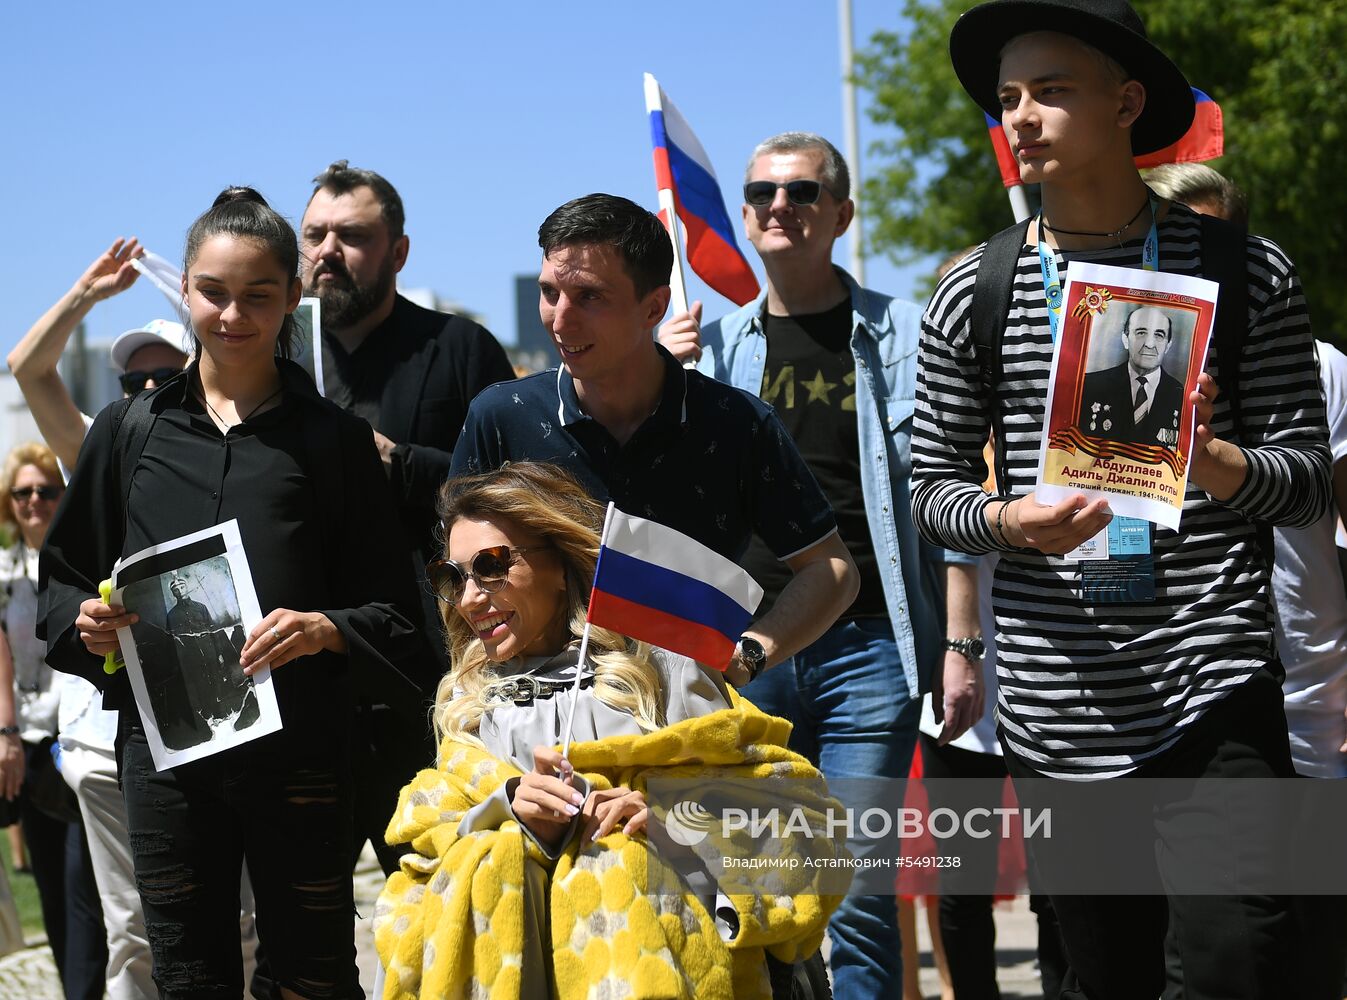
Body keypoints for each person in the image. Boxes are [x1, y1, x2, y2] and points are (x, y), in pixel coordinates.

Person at [914, 2, 1331, 998]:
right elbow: (932, 489)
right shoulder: (974, 290)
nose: (1021, 117)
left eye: (1052, 91)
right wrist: (1011, 521)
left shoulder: (1245, 269)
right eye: (1009, 97)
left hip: (1213, 676)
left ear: (1126, 102)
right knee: (1106, 980)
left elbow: (1309, 478)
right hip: (1062, 704)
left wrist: (1218, 461)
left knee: (1238, 960)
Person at [39, 186, 426, 1000]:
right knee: (185, 975)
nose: (232, 315)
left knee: (313, 975)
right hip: (166, 759)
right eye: (213, 292)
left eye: (258, 295)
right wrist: (87, 626)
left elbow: (397, 612)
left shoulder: (334, 442)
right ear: (184, 290)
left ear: (292, 297)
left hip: (305, 756)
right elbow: (64, 579)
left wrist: (325, 628)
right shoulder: (130, 430)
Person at [656, 131, 981, 997]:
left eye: (801, 194)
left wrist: (959, 643)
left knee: (859, 890)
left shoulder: (908, 334)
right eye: (761, 193)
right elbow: (669, 509)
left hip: (871, 642)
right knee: (756, 884)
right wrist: (668, 383)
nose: (776, 208)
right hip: (747, 648)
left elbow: (943, 502)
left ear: (840, 213)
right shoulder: (710, 351)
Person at [374, 462, 845, 999]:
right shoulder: (467, 706)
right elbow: (420, 864)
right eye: (453, 577)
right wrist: (508, 815)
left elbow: (799, 818)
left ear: (561, 563)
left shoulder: (660, 674)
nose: (470, 598)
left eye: (492, 566)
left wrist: (671, 824)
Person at [451, 193, 860, 692]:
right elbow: (456, 578)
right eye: (549, 292)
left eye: (589, 297)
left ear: (655, 307)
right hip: (533, 717)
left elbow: (831, 569)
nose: (560, 319)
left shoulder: (736, 423)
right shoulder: (500, 417)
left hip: (689, 725)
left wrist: (748, 655)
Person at [1146, 162, 1347, 1000]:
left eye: (1211, 244)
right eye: (1170, 243)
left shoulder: (1320, 367)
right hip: (1164, 709)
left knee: (1303, 953)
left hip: (1311, 705)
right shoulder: (1112, 368)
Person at [299, 160, 515, 874]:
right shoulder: (273, 362)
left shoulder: (457, 351)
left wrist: (404, 466)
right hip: (306, 685)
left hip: (431, 676)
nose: (327, 252)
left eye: (350, 236)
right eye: (313, 236)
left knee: (448, 895)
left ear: (398, 252)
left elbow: (512, 492)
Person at [0, 443, 107, 1000]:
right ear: (8, 502)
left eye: (46, 490)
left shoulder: (81, 563)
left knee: (82, 889)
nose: (35, 501)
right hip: (27, 746)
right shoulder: (2, 573)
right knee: (49, 890)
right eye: (23, 492)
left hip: (80, 744)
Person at [1077, 305, 1185, 446]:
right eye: (1141, 333)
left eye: (1159, 335)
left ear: (1168, 345)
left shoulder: (1182, 395)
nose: (1150, 344)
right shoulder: (1089, 385)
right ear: (1125, 339)